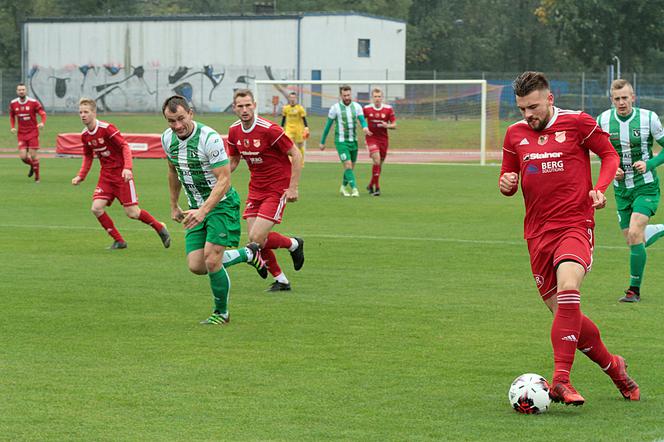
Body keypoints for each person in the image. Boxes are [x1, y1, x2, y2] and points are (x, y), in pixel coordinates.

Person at [499, 71, 639, 406]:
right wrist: (506, 184)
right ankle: (615, 368)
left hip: (575, 225)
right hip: (536, 234)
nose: (527, 115)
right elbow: (509, 177)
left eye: (532, 106)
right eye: (521, 109)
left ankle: (561, 379)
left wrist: (599, 189)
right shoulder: (514, 134)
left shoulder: (578, 123)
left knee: (568, 287)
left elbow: (609, 155)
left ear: (549, 99)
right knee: (565, 312)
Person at [161, 95, 268, 326]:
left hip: (221, 205)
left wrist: (203, 211)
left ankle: (222, 313)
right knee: (196, 266)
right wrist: (173, 204)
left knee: (211, 260)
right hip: (194, 208)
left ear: (191, 113)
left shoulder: (209, 138)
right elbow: (172, 170)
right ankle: (248, 254)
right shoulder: (167, 139)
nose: (177, 125)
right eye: (171, 121)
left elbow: (224, 181)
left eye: (181, 118)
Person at [227, 89, 305, 292]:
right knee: (255, 238)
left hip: (277, 187)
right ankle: (282, 280)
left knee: (257, 238)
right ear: (234, 108)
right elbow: (234, 159)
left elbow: (295, 154)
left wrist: (293, 187)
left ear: (254, 105)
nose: (244, 110)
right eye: (240, 106)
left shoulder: (269, 129)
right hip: (256, 188)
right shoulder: (234, 131)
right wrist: (219, 176)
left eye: (248, 105)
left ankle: (293, 244)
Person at [71, 98, 171, 250]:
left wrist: (127, 168)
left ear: (94, 113)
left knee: (132, 213)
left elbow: (125, 146)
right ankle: (119, 241)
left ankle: (159, 228)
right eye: (80, 112)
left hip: (122, 175)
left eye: (86, 112)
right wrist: (81, 176)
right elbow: (88, 156)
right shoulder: (85, 135)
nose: (83, 115)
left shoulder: (106, 128)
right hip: (106, 176)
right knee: (96, 208)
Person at [597, 79, 664, 303]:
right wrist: (611, 168)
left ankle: (634, 290)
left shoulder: (648, 118)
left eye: (625, 97)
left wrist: (650, 164)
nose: (621, 102)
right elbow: (601, 151)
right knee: (633, 239)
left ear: (633, 98)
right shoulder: (603, 120)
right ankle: (661, 229)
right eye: (617, 99)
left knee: (635, 234)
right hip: (621, 190)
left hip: (646, 186)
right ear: (612, 100)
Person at [319, 85, 371, 197]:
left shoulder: (357, 107)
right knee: (347, 165)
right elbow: (327, 126)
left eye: (348, 95)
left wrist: (365, 127)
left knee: (350, 167)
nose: (347, 97)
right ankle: (355, 189)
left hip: (353, 141)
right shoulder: (335, 108)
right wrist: (322, 142)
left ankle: (343, 187)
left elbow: (362, 120)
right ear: (340, 95)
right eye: (344, 95)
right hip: (341, 142)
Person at [9, 83, 46, 183]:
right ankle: (32, 166)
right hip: (21, 134)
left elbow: (42, 113)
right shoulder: (13, 103)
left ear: (26, 91)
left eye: (23, 89)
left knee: (33, 155)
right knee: (23, 157)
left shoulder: (33, 102)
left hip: (33, 132)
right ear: (17, 91)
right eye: (19, 90)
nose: (21, 91)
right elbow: (12, 116)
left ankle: (37, 178)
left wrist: (42, 122)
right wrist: (12, 127)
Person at [363, 87, 396, 196]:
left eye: (379, 96)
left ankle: (371, 184)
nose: (377, 98)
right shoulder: (366, 109)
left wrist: (388, 125)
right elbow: (361, 120)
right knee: (376, 160)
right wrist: (365, 129)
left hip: (383, 139)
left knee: (379, 164)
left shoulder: (388, 109)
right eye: (375, 96)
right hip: (371, 138)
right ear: (372, 98)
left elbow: (394, 124)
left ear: (382, 97)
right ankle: (377, 188)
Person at [281, 91, 309, 166]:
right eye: (291, 97)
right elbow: (283, 118)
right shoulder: (285, 108)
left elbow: (304, 118)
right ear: (289, 98)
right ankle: (290, 162)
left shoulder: (300, 108)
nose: (292, 99)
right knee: (288, 145)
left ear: (296, 98)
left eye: (294, 97)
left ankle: (301, 162)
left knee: (300, 145)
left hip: (299, 129)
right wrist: (281, 127)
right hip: (289, 129)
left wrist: (306, 127)